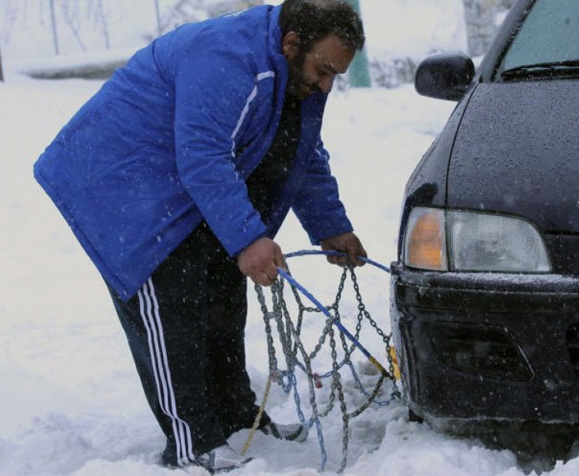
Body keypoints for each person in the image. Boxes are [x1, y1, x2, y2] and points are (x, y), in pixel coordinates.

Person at [33, 0, 367, 472]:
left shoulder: (298, 71)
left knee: (221, 296)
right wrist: (249, 238)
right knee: (174, 310)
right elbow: (204, 155)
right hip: (121, 181)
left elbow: (299, 149)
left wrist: (331, 225)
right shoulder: (229, 57)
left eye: (337, 74)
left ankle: (235, 419)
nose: (328, 84)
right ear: (292, 43)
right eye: (325, 70)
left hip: (179, 180)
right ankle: (191, 443)